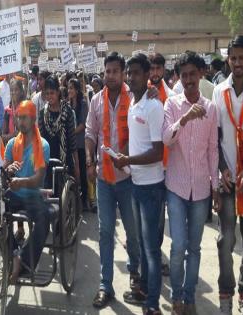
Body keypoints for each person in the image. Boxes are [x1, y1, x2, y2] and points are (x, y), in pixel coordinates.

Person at [162, 51, 219, 315]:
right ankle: (175, 294)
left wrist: (215, 187)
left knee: (194, 247)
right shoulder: (172, 105)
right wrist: (184, 119)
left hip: (201, 189)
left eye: (192, 74)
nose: (188, 80)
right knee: (178, 246)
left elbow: (212, 151)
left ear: (201, 74)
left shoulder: (212, 108)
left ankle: (189, 295)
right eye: (183, 75)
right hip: (176, 186)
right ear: (178, 78)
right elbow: (166, 139)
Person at [85, 52, 141, 309]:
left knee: (133, 232)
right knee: (105, 232)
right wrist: (89, 158)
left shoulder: (135, 98)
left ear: (123, 73)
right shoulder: (96, 100)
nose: (110, 76)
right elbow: (90, 133)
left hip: (130, 179)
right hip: (104, 179)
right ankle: (105, 285)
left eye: (115, 72)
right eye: (107, 71)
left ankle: (135, 275)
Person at [114, 54, 165, 315]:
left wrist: (128, 158)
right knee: (144, 246)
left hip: (152, 188)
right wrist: (121, 159)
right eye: (129, 73)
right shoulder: (134, 105)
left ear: (147, 76)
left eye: (136, 73)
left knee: (151, 249)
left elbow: (157, 152)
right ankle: (144, 290)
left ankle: (153, 304)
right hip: (136, 182)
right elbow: (137, 143)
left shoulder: (153, 107)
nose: (131, 77)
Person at [212, 35, 243, 315]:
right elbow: (217, 135)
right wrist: (222, 167)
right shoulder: (219, 90)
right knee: (225, 241)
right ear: (228, 60)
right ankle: (225, 293)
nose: (237, 63)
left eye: (242, 58)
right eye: (233, 58)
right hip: (227, 180)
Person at [3, 100, 50, 284]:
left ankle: (23, 261)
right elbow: (4, 172)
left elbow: (38, 179)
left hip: (34, 195)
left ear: (33, 119)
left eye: (24, 118)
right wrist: (8, 172)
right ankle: (14, 253)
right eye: (18, 118)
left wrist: (20, 182)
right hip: (14, 194)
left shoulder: (43, 146)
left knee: (44, 219)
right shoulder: (12, 144)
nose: (20, 122)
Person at [149, 52, 176, 277]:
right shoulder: (138, 93)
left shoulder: (171, 95)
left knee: (159, 215)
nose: (155, 73)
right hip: (142, 163)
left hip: (164, 165)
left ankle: (155, 257)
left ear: (164, 70)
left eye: (159, 68)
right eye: (153, 68)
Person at [38, 75, 80, 184]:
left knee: (66, 197)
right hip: (48, 163)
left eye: (52, 93)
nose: (49, 96)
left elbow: (72, 142)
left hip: (66, 163)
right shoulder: (42, 114)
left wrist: (77, 168)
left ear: (58, 92)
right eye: (47, 93)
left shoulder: (67, 112)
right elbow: (40, 142)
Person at [68, 78, 89, 210]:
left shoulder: (83, 104)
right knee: (72, 172)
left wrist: (71, 132)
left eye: (71, 88)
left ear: (76, 89)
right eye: (68, 88)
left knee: (81, 171)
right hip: (71, 144)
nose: (69, 90)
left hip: (80, 143)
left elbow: (83, 124)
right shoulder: (67, 104)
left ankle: (85, 200)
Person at [2, 78, 26, 144]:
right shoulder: (7, 111)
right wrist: (13, 136)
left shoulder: (26, 108)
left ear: (21, 91)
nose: (13, 92)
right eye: (11, 90)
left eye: (16, 90)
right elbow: (3, 136)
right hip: (12, 147)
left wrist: (17, 123)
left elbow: (27, 132)